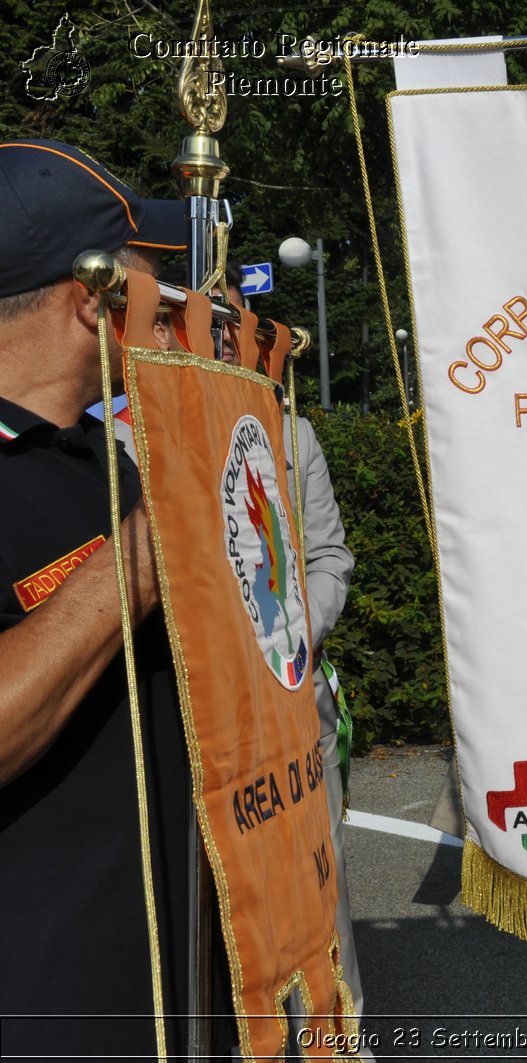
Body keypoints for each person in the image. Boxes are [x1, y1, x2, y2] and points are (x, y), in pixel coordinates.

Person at [0, 139, 216, 1056]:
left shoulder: (103, 458)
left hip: (170, 998)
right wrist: (142, 554)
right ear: (89, 296)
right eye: (144, 273)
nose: (166, 298)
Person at [218, 268, 370, 1047]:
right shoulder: (120, 436)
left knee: (321, 891)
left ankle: (340, 1038)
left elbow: (330, 558)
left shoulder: (291, 430)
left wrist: (294, 637)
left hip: (293, 705)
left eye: (235, 323)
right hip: (202, 721)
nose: (224, 339)